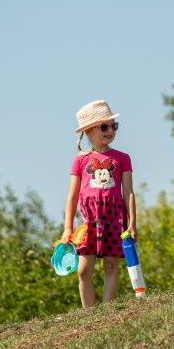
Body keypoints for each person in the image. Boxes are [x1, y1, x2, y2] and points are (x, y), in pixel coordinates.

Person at [61, 100, 137, 307]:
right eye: (104, 126)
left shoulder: (123, 158)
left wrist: (132, 223)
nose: (110, 130)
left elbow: (128, 192)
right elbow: (72, 195)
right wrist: (68, 227)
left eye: (114, 126)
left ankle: (107, 310)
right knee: (84, 269)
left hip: (115, 218)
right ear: (88, 130)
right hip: (89, 220)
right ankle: (89, 314)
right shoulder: (80, 161)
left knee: (111, 265)